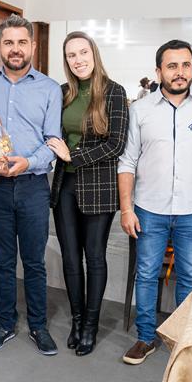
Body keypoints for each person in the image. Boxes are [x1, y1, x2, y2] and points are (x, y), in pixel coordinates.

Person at [117, 39, 192, 365]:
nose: (180, 72)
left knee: (190, 276)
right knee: (147, 274)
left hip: (191, 210)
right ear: (158, 71)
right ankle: (145, 338)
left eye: (185, 65)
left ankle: (182, 340)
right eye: (172, 66)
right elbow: (127, 161)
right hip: (148, 209)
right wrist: (126, 208)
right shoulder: (140, 110)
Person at [0, 14, 63, 356]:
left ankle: (38, 326)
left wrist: (28, 161)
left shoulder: (49, 89)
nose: (15, 49)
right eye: (8, 42)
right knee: (3, 260)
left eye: (22, 42)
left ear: (33, 46)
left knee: (34, 261)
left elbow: (53, 141)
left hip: (33, 186)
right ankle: (6, 323)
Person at [46, 31, 128, 356]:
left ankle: (91, 326)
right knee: (70, 257)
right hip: (64, 185)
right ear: (66, 60)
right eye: (71, 55)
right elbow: (52, 134)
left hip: (99, 185)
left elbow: (116, 144)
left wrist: (74, 156)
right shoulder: (63, 93)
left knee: (94, 256)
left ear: (94, 54)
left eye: (83, 52)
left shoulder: (114, 92)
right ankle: (77, 321)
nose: (78, 60)